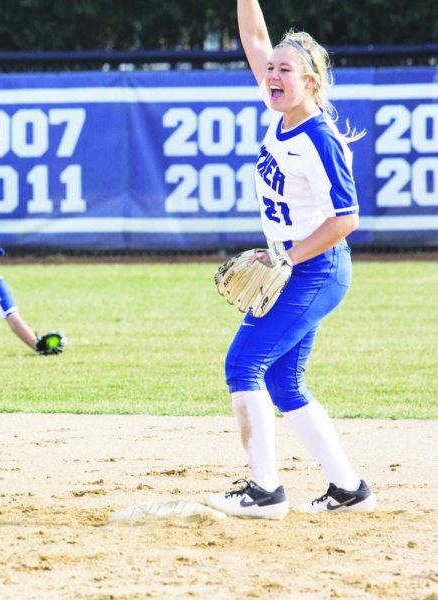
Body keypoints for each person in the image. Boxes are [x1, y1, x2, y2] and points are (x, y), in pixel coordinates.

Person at [202, 0, 375, 519]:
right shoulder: (279, 107)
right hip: (299, 267)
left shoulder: (317, 138)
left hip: (317, 269)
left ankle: (264, 490)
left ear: (312, 82)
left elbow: (346, 219)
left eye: (286, 70)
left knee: (243, 363)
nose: (272, 75)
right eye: (272, 69)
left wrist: (288, 257)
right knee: (283, 381)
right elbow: (255, 36)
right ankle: (348, 488)